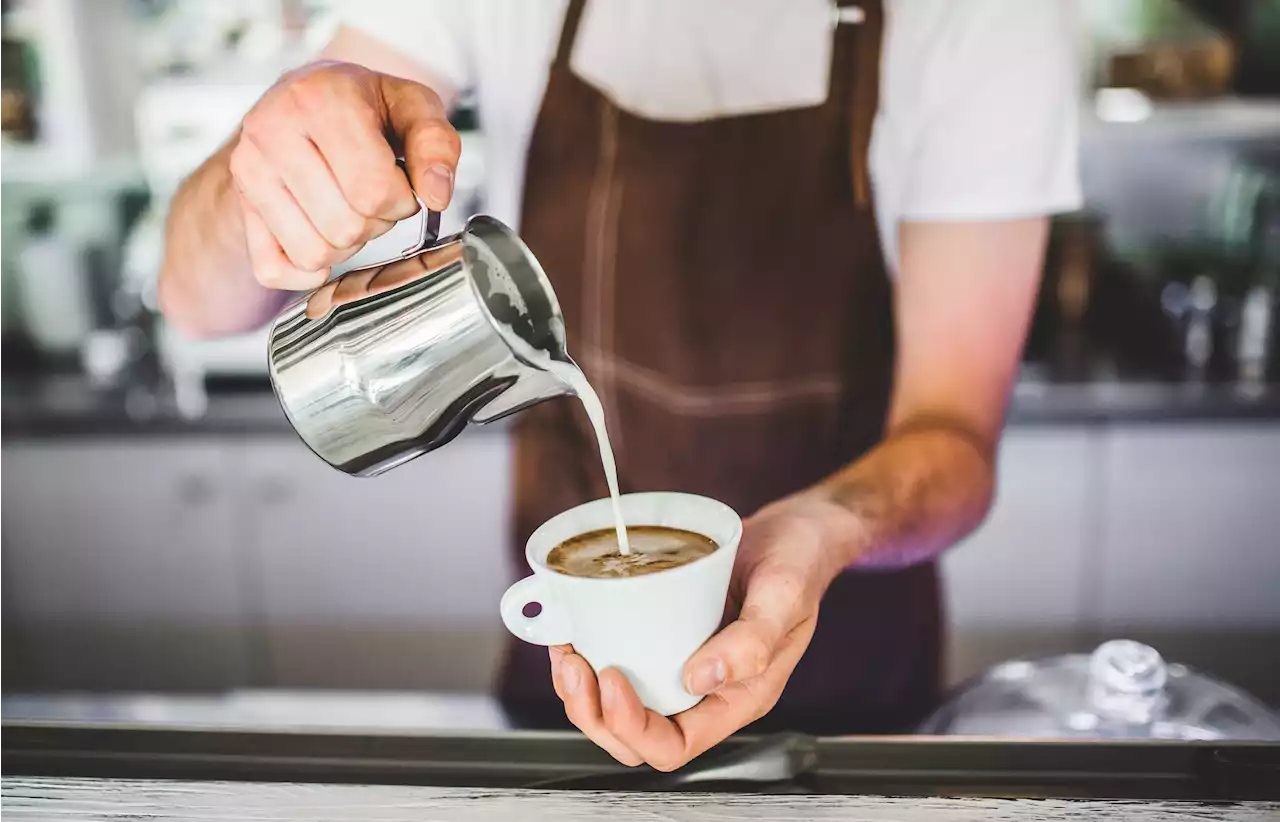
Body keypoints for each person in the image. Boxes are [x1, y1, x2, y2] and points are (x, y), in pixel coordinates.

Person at [159, 0, 1080, 771]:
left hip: (849, 689)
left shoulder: (983, 17)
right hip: (574, 681)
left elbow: (953, 435)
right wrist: (269, 160)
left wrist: (825, 528)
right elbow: (195, 299)